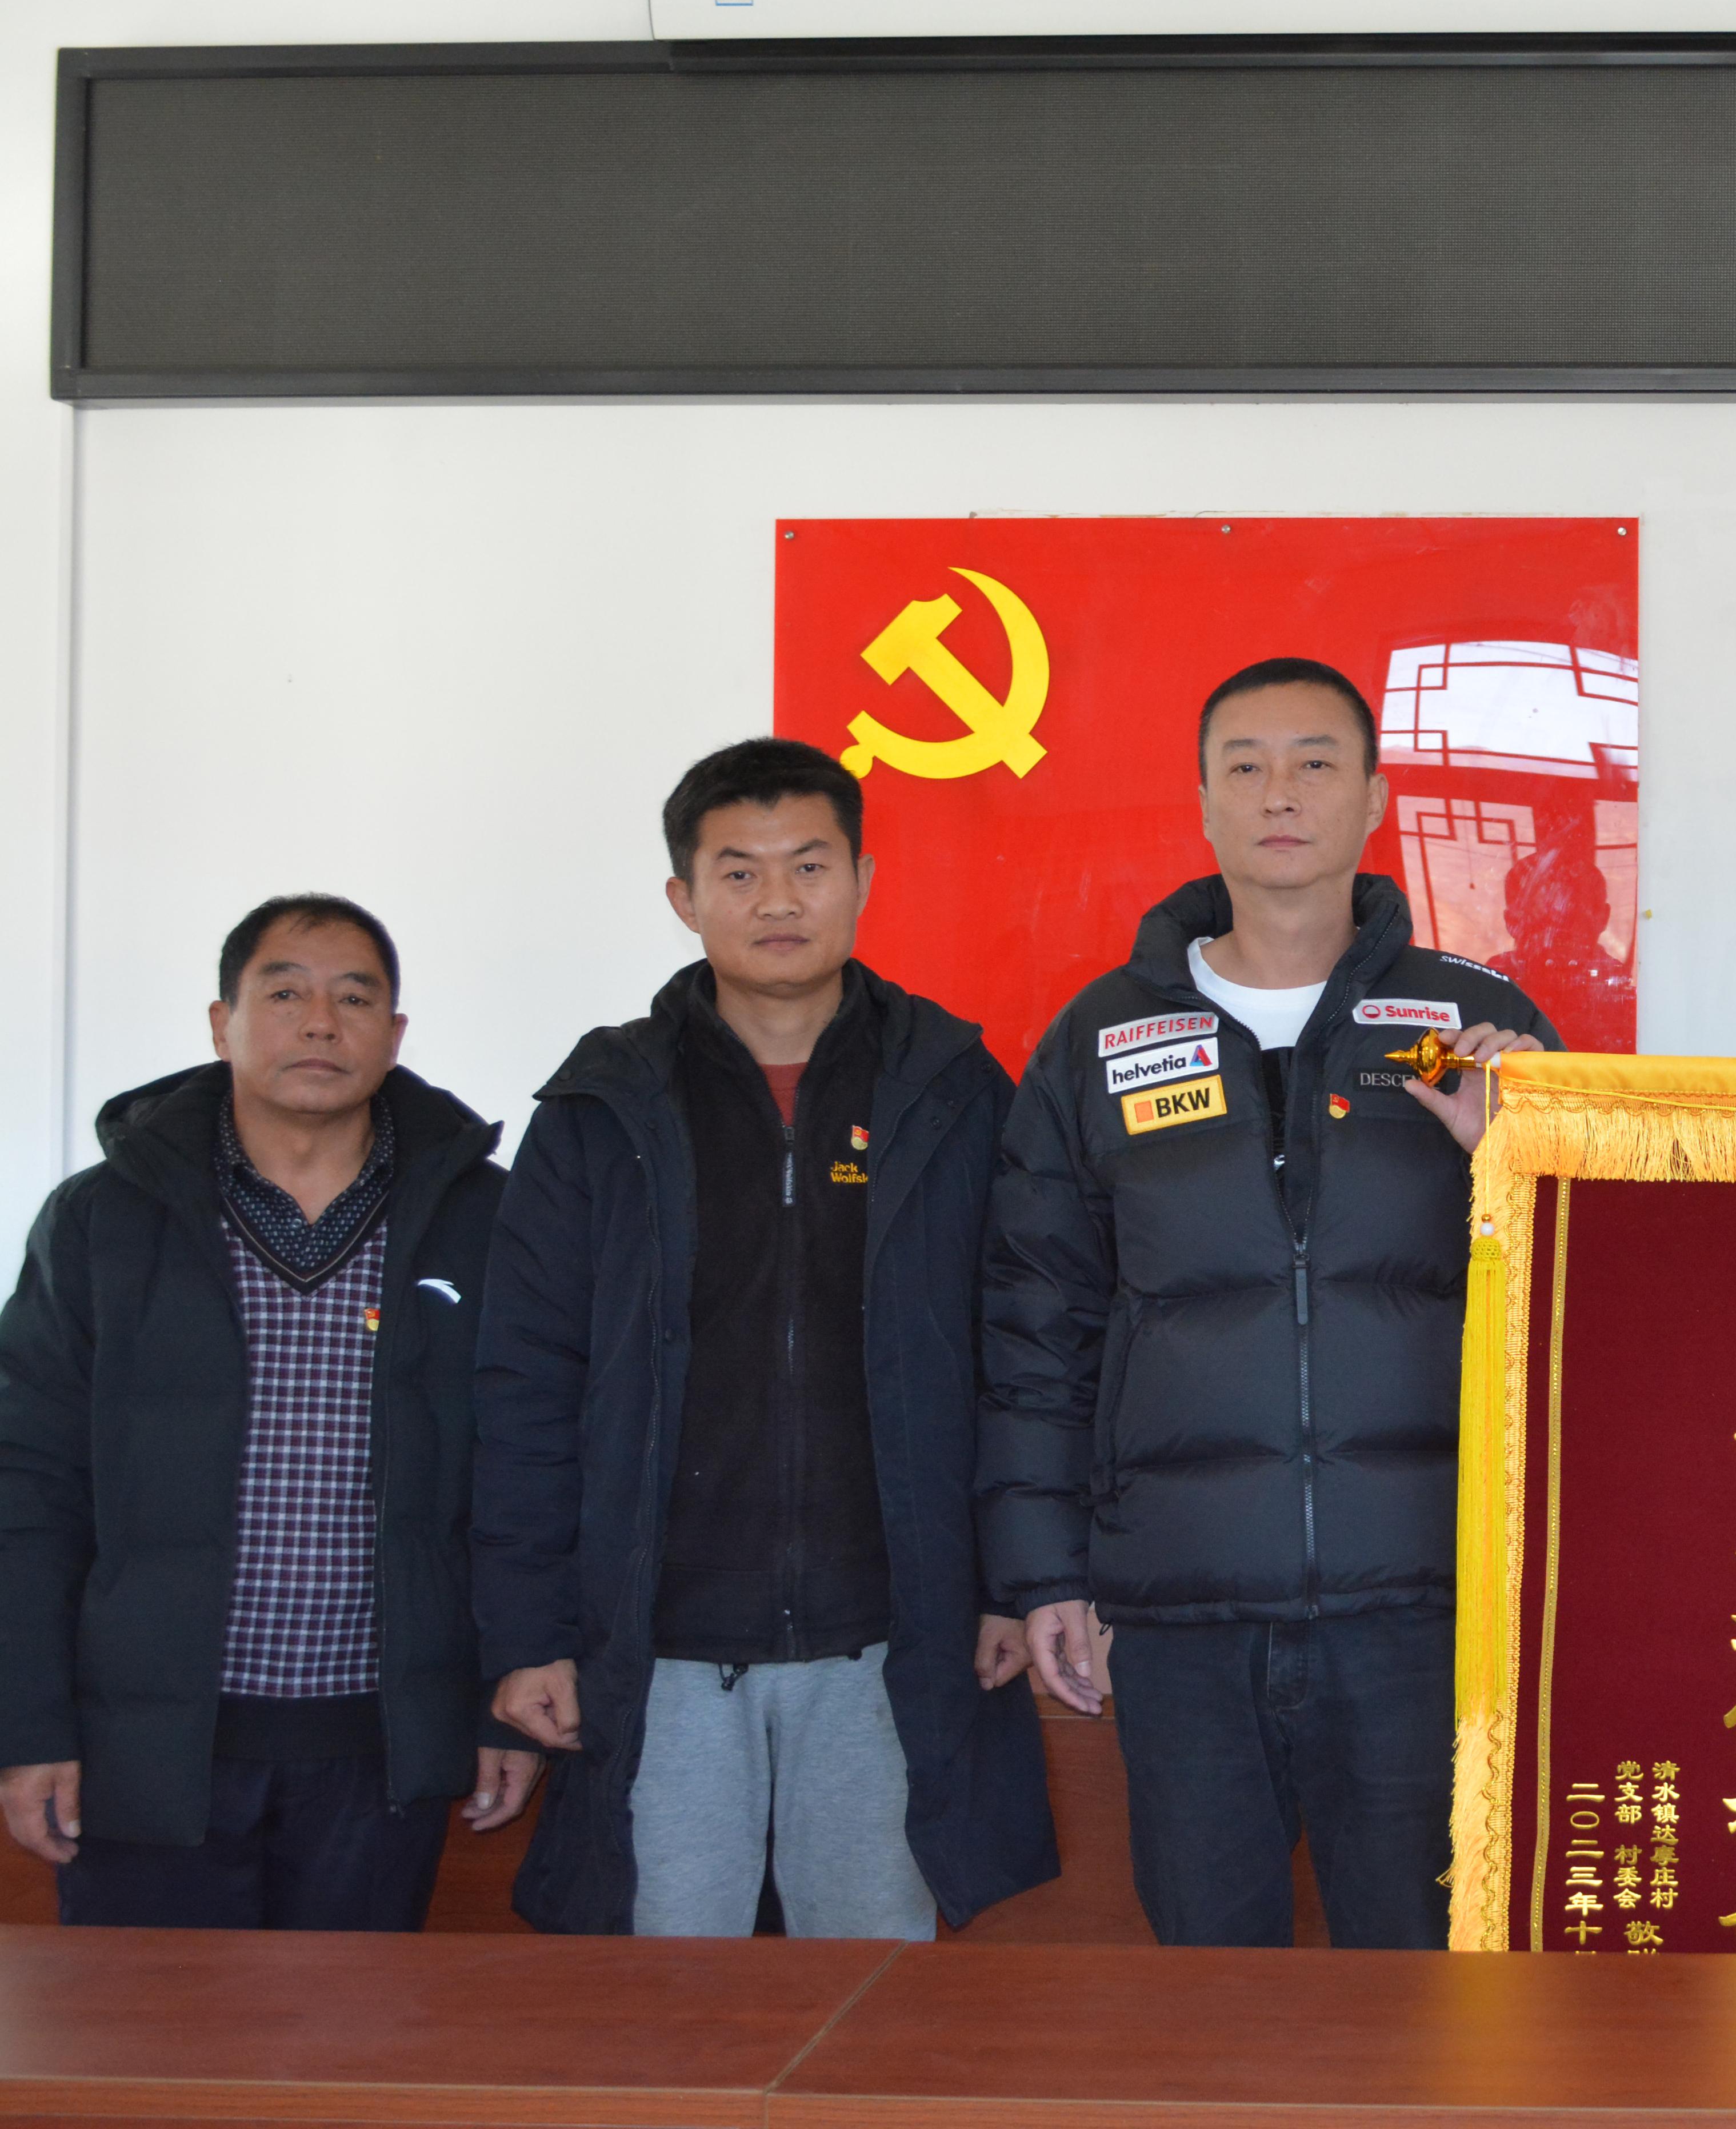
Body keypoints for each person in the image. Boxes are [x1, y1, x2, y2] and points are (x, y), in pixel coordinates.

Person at [980, 656, 1554, 1947]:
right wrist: (1044, 1572)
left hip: (1422, 1609)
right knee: (1209, 1996)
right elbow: (1037, 1326)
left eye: (1315, 763)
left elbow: (1581, 1300)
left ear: (1375, 799)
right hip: (1182, 1616)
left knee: (1420, 1993)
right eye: (1245, 766)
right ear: (1202, 803)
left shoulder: (1472, 1026)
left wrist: (1513, 1160)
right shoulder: (1103, 1038)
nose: (1279, 793)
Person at [477, 738, 1055, 1936]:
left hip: (891, 1639)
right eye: (739, 872)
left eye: (809, 866)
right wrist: (530, 1634)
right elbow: (526, 1383)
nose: (778, 900)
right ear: (683, 897)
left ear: (864, 880)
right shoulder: (602, 1108)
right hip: (661, 1646)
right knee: (671, 2000)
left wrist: (1015, 1582)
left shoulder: (951, 1088)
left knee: (871, 1992)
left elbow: (1021, 1348)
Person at [0, 896, 530, 1927]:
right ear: (222, 1024)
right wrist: (29, 1726)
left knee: (350, 2034)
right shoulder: (103, 1219)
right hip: (145, 1753)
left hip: (383, 1751)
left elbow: (528, 1479)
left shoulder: (484, 1220)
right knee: (151, 2030)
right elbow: (28, 1485)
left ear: (396, 1033)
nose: (320, 1022)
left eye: (354, 998)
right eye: (284, 994)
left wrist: (504, 1702)